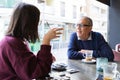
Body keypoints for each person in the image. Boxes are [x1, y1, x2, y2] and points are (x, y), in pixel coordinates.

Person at [0, 3, 63, 80]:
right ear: (29, 23)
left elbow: (27, 64)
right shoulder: (12, 43)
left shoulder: (14, 40)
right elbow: (36, 73)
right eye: (37, 22)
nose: (37, 25)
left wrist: (44, 57)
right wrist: (46, 40)